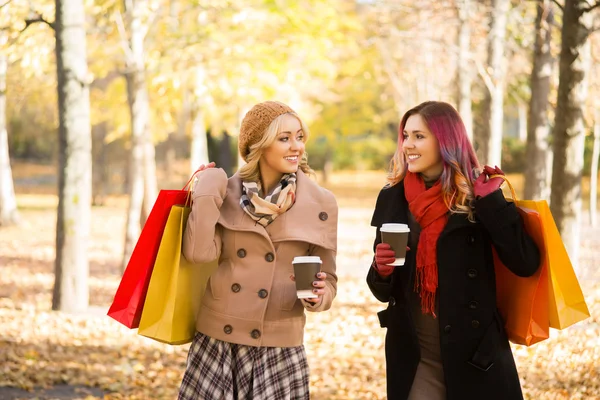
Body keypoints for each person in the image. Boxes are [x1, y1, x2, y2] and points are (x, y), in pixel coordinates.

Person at [367, 101, 540, 400]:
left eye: (419, 136)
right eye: (406, 136)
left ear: (445, 140)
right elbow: (383, 291)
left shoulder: (478, 194)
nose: (408, 145)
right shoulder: (393, 197)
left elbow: (525, 262)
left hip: (476, 355)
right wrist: (381, 270)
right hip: (415, 354)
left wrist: (493, 204)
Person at [178, 101, 338, 400]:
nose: (297, 147)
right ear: (259, 145)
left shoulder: (321, 203)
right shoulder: (224, 192)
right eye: (284, 138)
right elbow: (198, 254)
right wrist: (207, 190)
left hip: (280, 347)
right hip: (218, 341)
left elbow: (328, 278)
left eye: (300, 136)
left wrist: (320, 296)